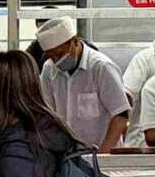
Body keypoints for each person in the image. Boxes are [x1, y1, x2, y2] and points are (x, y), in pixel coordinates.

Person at [36, 16, 129, 152]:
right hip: (68, 156)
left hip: (101, 154)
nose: (56, 61)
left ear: (74, 41)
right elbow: (47, 114)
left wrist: (102, 157)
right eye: (51, 56)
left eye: (59, 54)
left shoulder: (101, 67)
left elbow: (120, 116)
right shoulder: (49, 69)